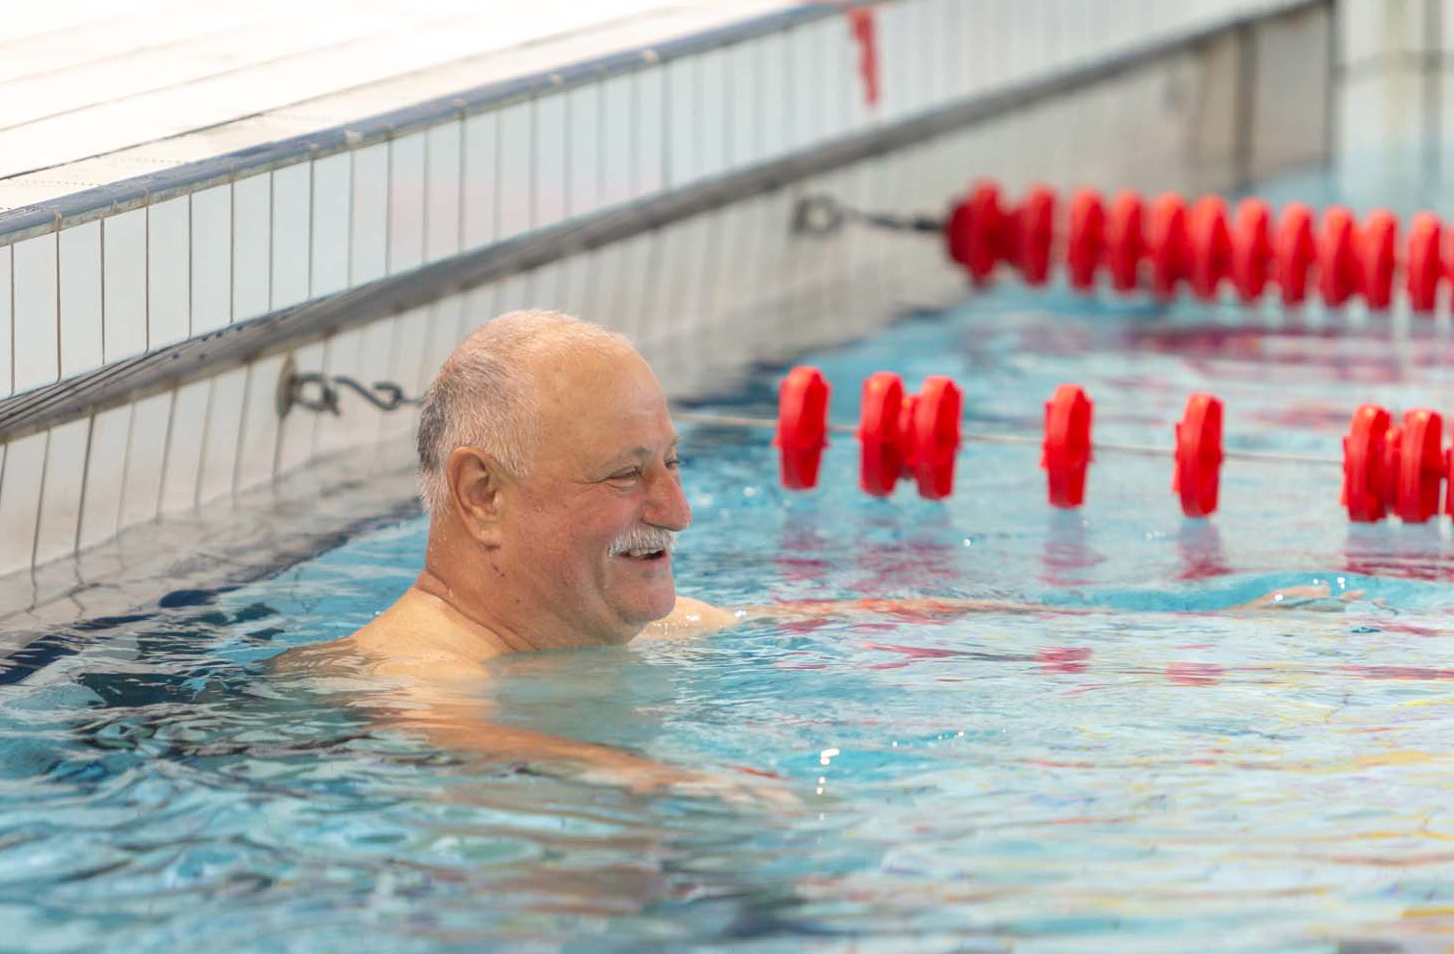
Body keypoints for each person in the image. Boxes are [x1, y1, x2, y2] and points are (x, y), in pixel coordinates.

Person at [276, 310, 1347, 800]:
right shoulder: (404, 672)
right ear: (482, 495)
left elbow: (842, 624)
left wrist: (1160, 626)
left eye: (674, 464)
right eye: (627, 474)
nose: (678, 510)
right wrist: (684, 790)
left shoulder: (629, 629)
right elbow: (458, 733)